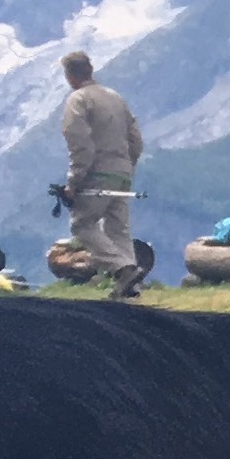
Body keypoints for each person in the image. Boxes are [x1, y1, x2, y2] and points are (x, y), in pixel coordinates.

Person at [58, 51, 145, 297]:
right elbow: (136, 139)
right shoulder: (115, 97)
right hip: (123, 173)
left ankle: (123, 269)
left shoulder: (79, 100)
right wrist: (128, 166)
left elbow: (80, 144)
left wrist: (74, 181)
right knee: (119, 229)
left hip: (97, 174)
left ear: (70, 76)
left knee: (82, 224)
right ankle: (131, 289)